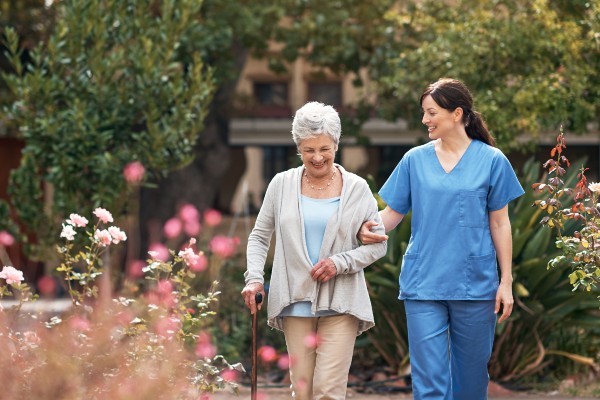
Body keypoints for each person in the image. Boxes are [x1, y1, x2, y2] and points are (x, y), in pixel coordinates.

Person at [358, 78, 524, 400]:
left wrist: (506, 281)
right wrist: (365, 227)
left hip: (475, 284)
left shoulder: (492, 161)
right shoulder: (414, 160)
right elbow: (392, 214)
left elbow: (500, 223)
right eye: (424, 113)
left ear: (457, 113)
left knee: (471, 382)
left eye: (431, 112)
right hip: (424, 283)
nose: (425, 120)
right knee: (429, 383)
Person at [241, 101, 387, 400]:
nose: (317, 157)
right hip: (295, 301)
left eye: (324, 148)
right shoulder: (281, 185)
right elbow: (259, 236)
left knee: (328, 391)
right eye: (309, 150)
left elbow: (377, 246)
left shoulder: (357, 189)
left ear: (336, 143)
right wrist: (254, 277)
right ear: (298, 148)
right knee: (303, 390)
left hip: (342, 303)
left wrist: (340, 262)